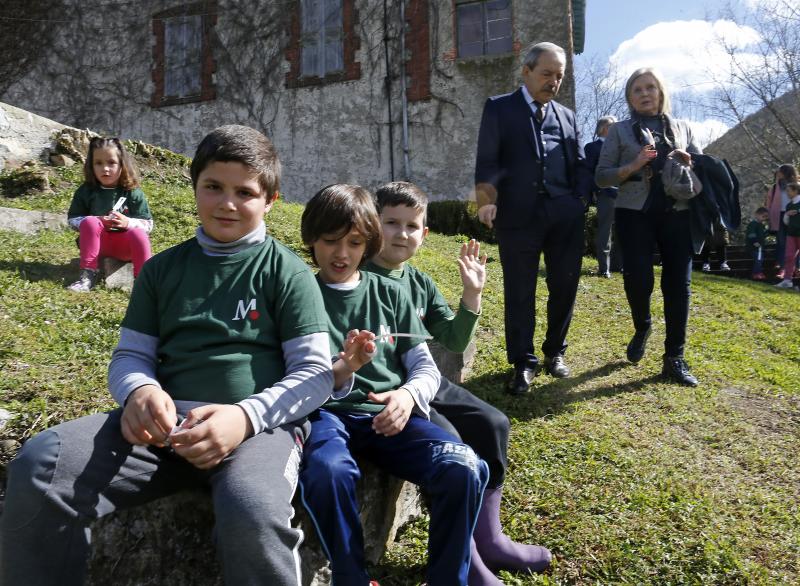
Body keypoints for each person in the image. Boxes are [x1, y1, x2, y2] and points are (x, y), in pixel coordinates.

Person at [0, 125, 337, 585]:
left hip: (260, 432)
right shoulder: (162, 270)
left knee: (252, 507)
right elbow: (130, 356)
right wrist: (139, 390)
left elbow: (316, 374)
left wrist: (244, 418)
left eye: (245, 192)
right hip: (161, 433)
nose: (227, 203)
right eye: (213, 187)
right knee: (44, 462)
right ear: (194, 185)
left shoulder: (288, 273)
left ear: (271, 200)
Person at [298, 184, 489, 586]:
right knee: (329, 471)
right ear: (310, 238)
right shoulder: (300, 293)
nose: (341, 253)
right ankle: (351, 577)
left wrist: (406, 395)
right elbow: (292, 374)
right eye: (330, 241)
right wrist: (343, 370)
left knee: (464, 466)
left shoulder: (391, 293)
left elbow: (425, 367)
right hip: (325, 416)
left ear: (368, 241)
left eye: (354, 242)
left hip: (388, 416)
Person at [365, 181, 552, 584]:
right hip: (391, 387)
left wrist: (471, 296)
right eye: (390, 223)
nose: (401, 234)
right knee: (451, 441)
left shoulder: (417, 281)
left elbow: (453, 339)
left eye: (412, 226)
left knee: (493, 423)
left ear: (425, 234)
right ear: (371, 224)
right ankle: (465, 556)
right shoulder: (359, 276)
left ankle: (490, 538)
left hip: (425, 380)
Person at [474, 41, 592, 394]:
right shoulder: (499, 109)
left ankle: (555, 352)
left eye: (559, 76)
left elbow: (581, 164)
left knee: (565, 285)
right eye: (547, 74)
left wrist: (580, 200)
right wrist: (485, 200)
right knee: (520, 290)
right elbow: (487, 160)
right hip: (517, 216)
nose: (553, 82)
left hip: (564, 214)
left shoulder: (568, 116)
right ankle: (523, 361)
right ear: (525, 72)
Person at [595, 67, 702, 386]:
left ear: (660, 92)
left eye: (650, 87)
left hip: (677, 211)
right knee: (638, 279)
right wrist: (634, 164)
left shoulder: (682, 127)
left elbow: (703, 167)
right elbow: (601, 176)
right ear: (630, 97)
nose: (644, 93)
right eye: (637, 89)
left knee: (677, 285)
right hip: (634, 212)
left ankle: (674, 357)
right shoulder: (620, 131)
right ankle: (643, 326)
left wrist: (690, 161)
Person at [66, 136, 153, 292]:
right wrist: (96, 220)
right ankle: (86, 277)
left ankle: (144, 283)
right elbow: (72, 219)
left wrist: (128, 223)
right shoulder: (86, 191)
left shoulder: (132, 192)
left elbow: (148, 224)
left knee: (139, 233)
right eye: (98, 163)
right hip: (98, 245)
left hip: (125, 247)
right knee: (90, 222)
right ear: (91, 166)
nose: (105, 169)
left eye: (111, 163)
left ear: (122, 165)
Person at [585, 116, 622, 278]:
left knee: (622, 230)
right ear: (603, 129)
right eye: (612, 125)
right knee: (605, 231)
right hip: (605, 194)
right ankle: (603, 267)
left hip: (624, 195)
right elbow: (590, 173)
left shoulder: (621, 147)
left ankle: (617, 265)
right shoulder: (592, 148)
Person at [765, 164, 798, 279]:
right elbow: (769, 202)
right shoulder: (775, 187)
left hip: (794, 216)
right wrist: (767, 214)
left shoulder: (796, 186)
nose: (777, 173)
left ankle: (795, 268)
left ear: (786, 172)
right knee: (781, 242)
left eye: (779, 171)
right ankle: (783, 267)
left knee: (795, 242)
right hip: (778, 216)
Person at [776, 181, 800, 289]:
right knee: (789, 256)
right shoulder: (789, 205)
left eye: (789, 191)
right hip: (791, 234)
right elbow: (786, 222)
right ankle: (787, 280)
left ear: (796, 191)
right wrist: (787, 214)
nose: (787, 193)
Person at [745, 206, 770, 280]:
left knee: (760, 259)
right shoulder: (753, 224)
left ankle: (758, 272)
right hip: (754, 247)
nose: (764, 218)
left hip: (760, 248)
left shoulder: (762, 225)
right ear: (757, 214)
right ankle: (756, 273)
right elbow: (751, 233)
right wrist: (754, 241)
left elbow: (764, 234)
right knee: (759, 259)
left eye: (766, 217)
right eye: (763, 216)